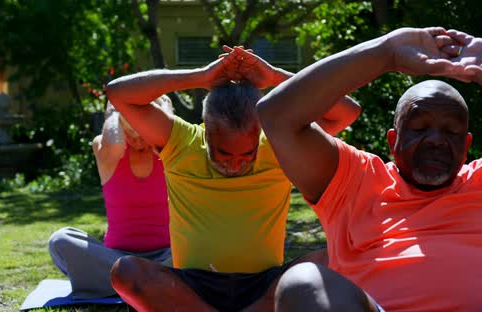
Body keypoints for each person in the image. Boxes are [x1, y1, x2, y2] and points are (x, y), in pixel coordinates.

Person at [257, 27, 482, 312]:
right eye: (420, 127)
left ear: (466, 146)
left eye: (451, 132)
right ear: (394, 140)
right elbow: (276, 116)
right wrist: (386, 53)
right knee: (301, 280)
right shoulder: (353, 179)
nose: (436, 140)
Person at [104, 46, 361, 311]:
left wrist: (274, 76)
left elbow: (347, 112)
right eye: (224, 152)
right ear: (207, 130)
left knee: (334, 259)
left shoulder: (276, 146)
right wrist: (199, 77)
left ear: (258, 133)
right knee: (126, 271)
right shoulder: (182, 142)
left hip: (264, 288)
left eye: (248, 153)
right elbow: (119, 93)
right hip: (193, 288)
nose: (236, 163)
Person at [48, 96, 173, 299]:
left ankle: (125, 284)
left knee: (205, 242)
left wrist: (163, 111)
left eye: (142, 130)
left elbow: (169, 132)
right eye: (130, 132)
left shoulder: (169, 151)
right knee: (60, 240)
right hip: (116, 261)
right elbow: (113, 142)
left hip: (167, 256)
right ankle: (152, 283)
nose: (138, 139)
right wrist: (116, 107)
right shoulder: (105, 149)